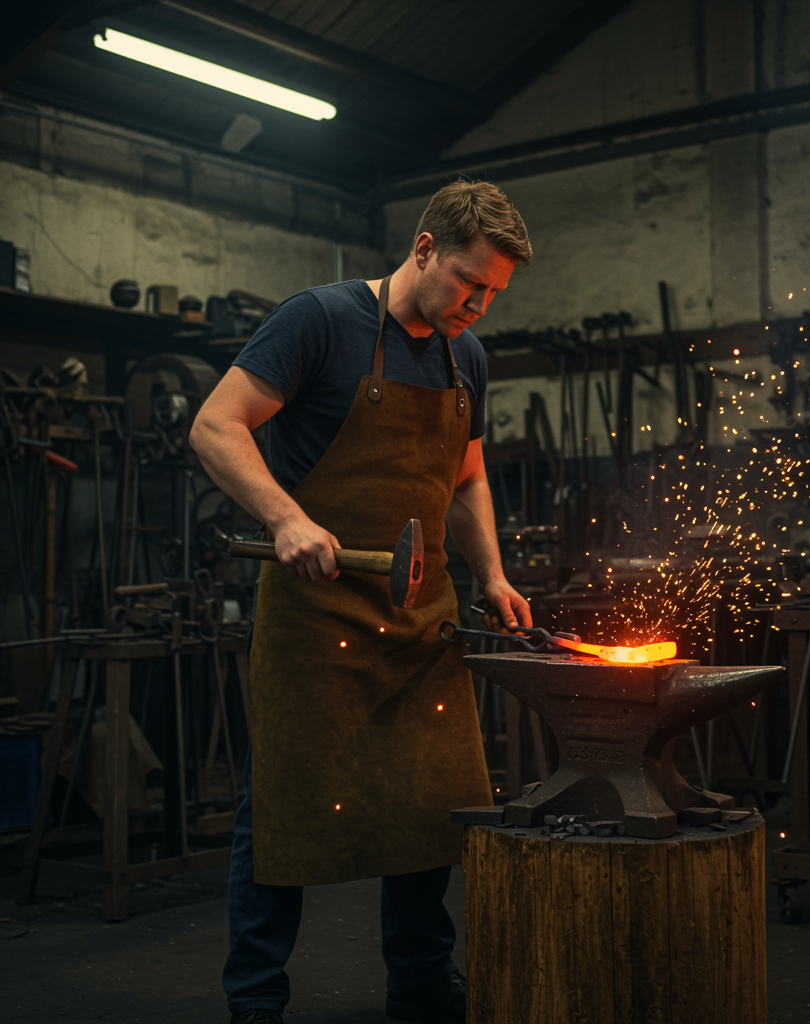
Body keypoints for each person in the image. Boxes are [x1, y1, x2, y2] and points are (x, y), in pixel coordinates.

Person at [190, 180, 534, 1024]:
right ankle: (257, 998)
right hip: (316, 614)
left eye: (492, 292)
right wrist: (287, 518)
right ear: (423, 249)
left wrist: (490, 574)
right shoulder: (320, 319)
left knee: (430, 797)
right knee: (283, 802)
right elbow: (215, 425)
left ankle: (420, 977)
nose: (477, 305)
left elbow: (466, 477)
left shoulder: (468, 358)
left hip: (422, 617)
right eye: (466, 282)